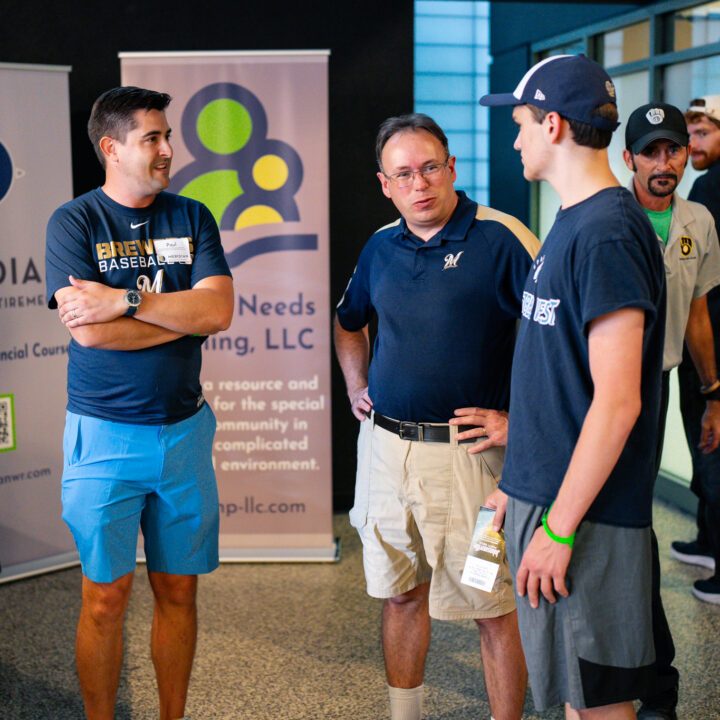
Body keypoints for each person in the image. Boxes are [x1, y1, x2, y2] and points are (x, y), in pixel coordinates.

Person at [334, 113, 540, 720]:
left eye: (430, 168)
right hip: (386, 454)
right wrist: (357, 385)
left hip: (470, 461)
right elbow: (349, 323)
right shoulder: (380, 245)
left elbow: (558, 346)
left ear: (452, 167)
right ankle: (406, 714)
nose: (419, 184)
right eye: (404, 174)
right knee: (400, 594)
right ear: (385, 184)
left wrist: (517, 422)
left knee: (492, 605)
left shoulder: (505, 240)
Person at [479, 54, 666, 719]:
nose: (515, 138)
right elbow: (559, 383)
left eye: (522, 123)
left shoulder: (608, 233)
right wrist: (520, 482)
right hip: (553, 501)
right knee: (568, 696)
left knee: (598, 706)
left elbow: (618, 402)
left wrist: (556, 529)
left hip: (587, 520)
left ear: (553, 125)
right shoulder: (571, 221)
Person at [45, 87, 234, 720]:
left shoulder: (193, 216)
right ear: (111, 148)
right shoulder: (74, 223)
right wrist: (179, 316)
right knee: (105, 596)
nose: (167, 150)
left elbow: (218, 311)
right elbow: (89, 332)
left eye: (167, 135)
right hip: (102, 436)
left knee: (178, 590)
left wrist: (123, 300)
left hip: (183, 435)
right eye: (152, 138)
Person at [622, 101, 720, 719]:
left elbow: (699, 313)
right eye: (651, 152)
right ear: (627, 157)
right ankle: (641, 674)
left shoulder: (699, 219)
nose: (665, 164)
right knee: (623, 529)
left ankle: (649, 675)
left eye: (674, 150)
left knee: (634, 529)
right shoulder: (604, 215)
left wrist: (713, 393)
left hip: (655, 390)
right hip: (600, 392)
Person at [671, 95, 720, 604]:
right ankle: (709, 540)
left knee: (711, 446)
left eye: (703, 133)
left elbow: (699, 290)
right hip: (699, 343)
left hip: (707, 343)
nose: (693, 144)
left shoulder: (706, 195)